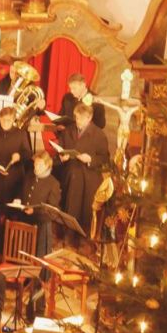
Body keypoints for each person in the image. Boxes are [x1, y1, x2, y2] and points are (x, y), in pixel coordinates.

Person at [56, 103, 110, 245]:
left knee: (84, 211)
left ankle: (83, 241)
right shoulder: (69, 130)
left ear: (89, 118)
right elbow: (61, 147)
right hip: (70, 176)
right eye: (76, 117)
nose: (77, 121)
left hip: (88, 178)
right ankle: (68, 237)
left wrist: (90, 159)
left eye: (80, 118)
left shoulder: (99, 135)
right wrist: (62, 156)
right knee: (69, 207)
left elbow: (105, 159)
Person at [0, 107, 31, 208]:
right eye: (3, 119)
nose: (5, 122)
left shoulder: (21, 134)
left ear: (13, 120)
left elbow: (28, 154)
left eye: (8, 120)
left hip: (15, 179)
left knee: (12, 210)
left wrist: (19, 156)